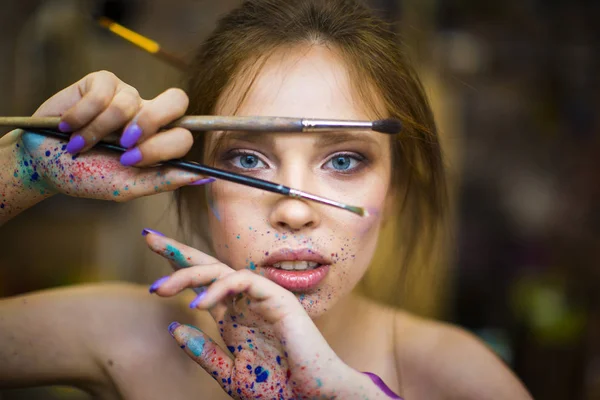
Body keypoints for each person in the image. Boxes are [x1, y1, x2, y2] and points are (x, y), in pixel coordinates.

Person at [0, 0, 533, 398]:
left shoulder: (461, 378)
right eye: (246, 159)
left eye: (344, 161)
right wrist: (18, 173)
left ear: (394, 188)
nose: (295, 211)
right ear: (198, 178)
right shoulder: (124, 336)